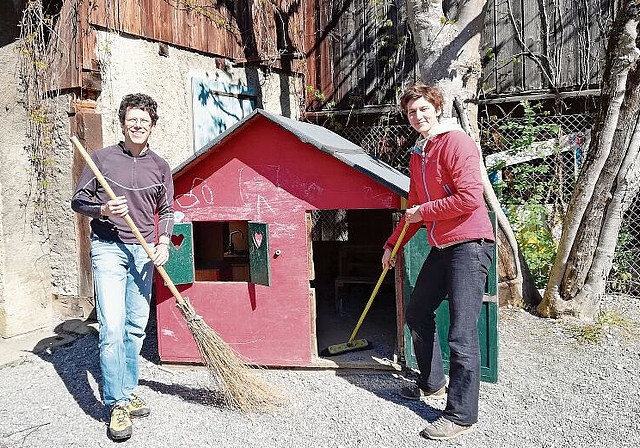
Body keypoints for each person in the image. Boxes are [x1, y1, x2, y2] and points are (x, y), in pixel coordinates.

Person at [382, 84, 495, 440]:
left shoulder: (456, 143)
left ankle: (461, 415)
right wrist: (392, 246)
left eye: (423, 109)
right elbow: (413, 209)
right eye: (412, 112)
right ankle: (431, 384)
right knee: (416, 311)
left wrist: (424, 211)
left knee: (461, 333)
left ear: (437, 108)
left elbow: (470, 199)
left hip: (470, 244)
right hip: (442, 245)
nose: (418, 116)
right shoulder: (419, 154)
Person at [71, 93, 174, 441]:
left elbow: (168, 211)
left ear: (153, 125)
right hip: (109, 248)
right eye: (133, 119)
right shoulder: (102, 159)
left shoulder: (160, 166)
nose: (138, 125)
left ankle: (126, 393)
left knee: (134, 328)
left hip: (144, 252)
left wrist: (162, 242)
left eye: (145, 120)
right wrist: (103, 211)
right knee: (112, 327)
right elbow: (77, 201)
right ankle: (115, 403)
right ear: (123, 123)